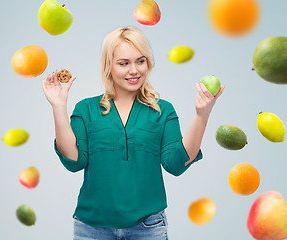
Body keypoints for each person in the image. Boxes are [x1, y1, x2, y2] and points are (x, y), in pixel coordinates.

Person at [42, 26, 224, 240]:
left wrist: (202, 115)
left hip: (148, 228)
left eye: (140, 61)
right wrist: (58, 107)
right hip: (91, 228)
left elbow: (176, 165)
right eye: (124, 63)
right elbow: (73, 161)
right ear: (109, 66)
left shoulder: (162, 110)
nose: (134, 70)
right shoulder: (86, 109)